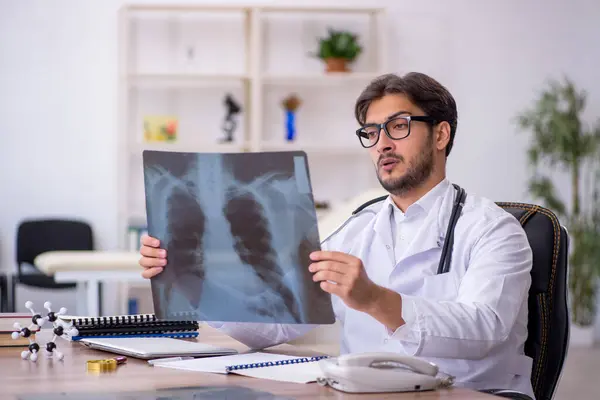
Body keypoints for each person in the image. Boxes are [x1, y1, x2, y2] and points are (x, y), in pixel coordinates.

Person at [138, 72, 534, 398]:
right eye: (372, 132)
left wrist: (377, 300)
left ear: (441, 135)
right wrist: (192, 280)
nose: (382, 144)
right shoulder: (354, 229)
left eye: (398, 126)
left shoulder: (494, 229)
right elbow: (274, 324)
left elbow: (486, 329)